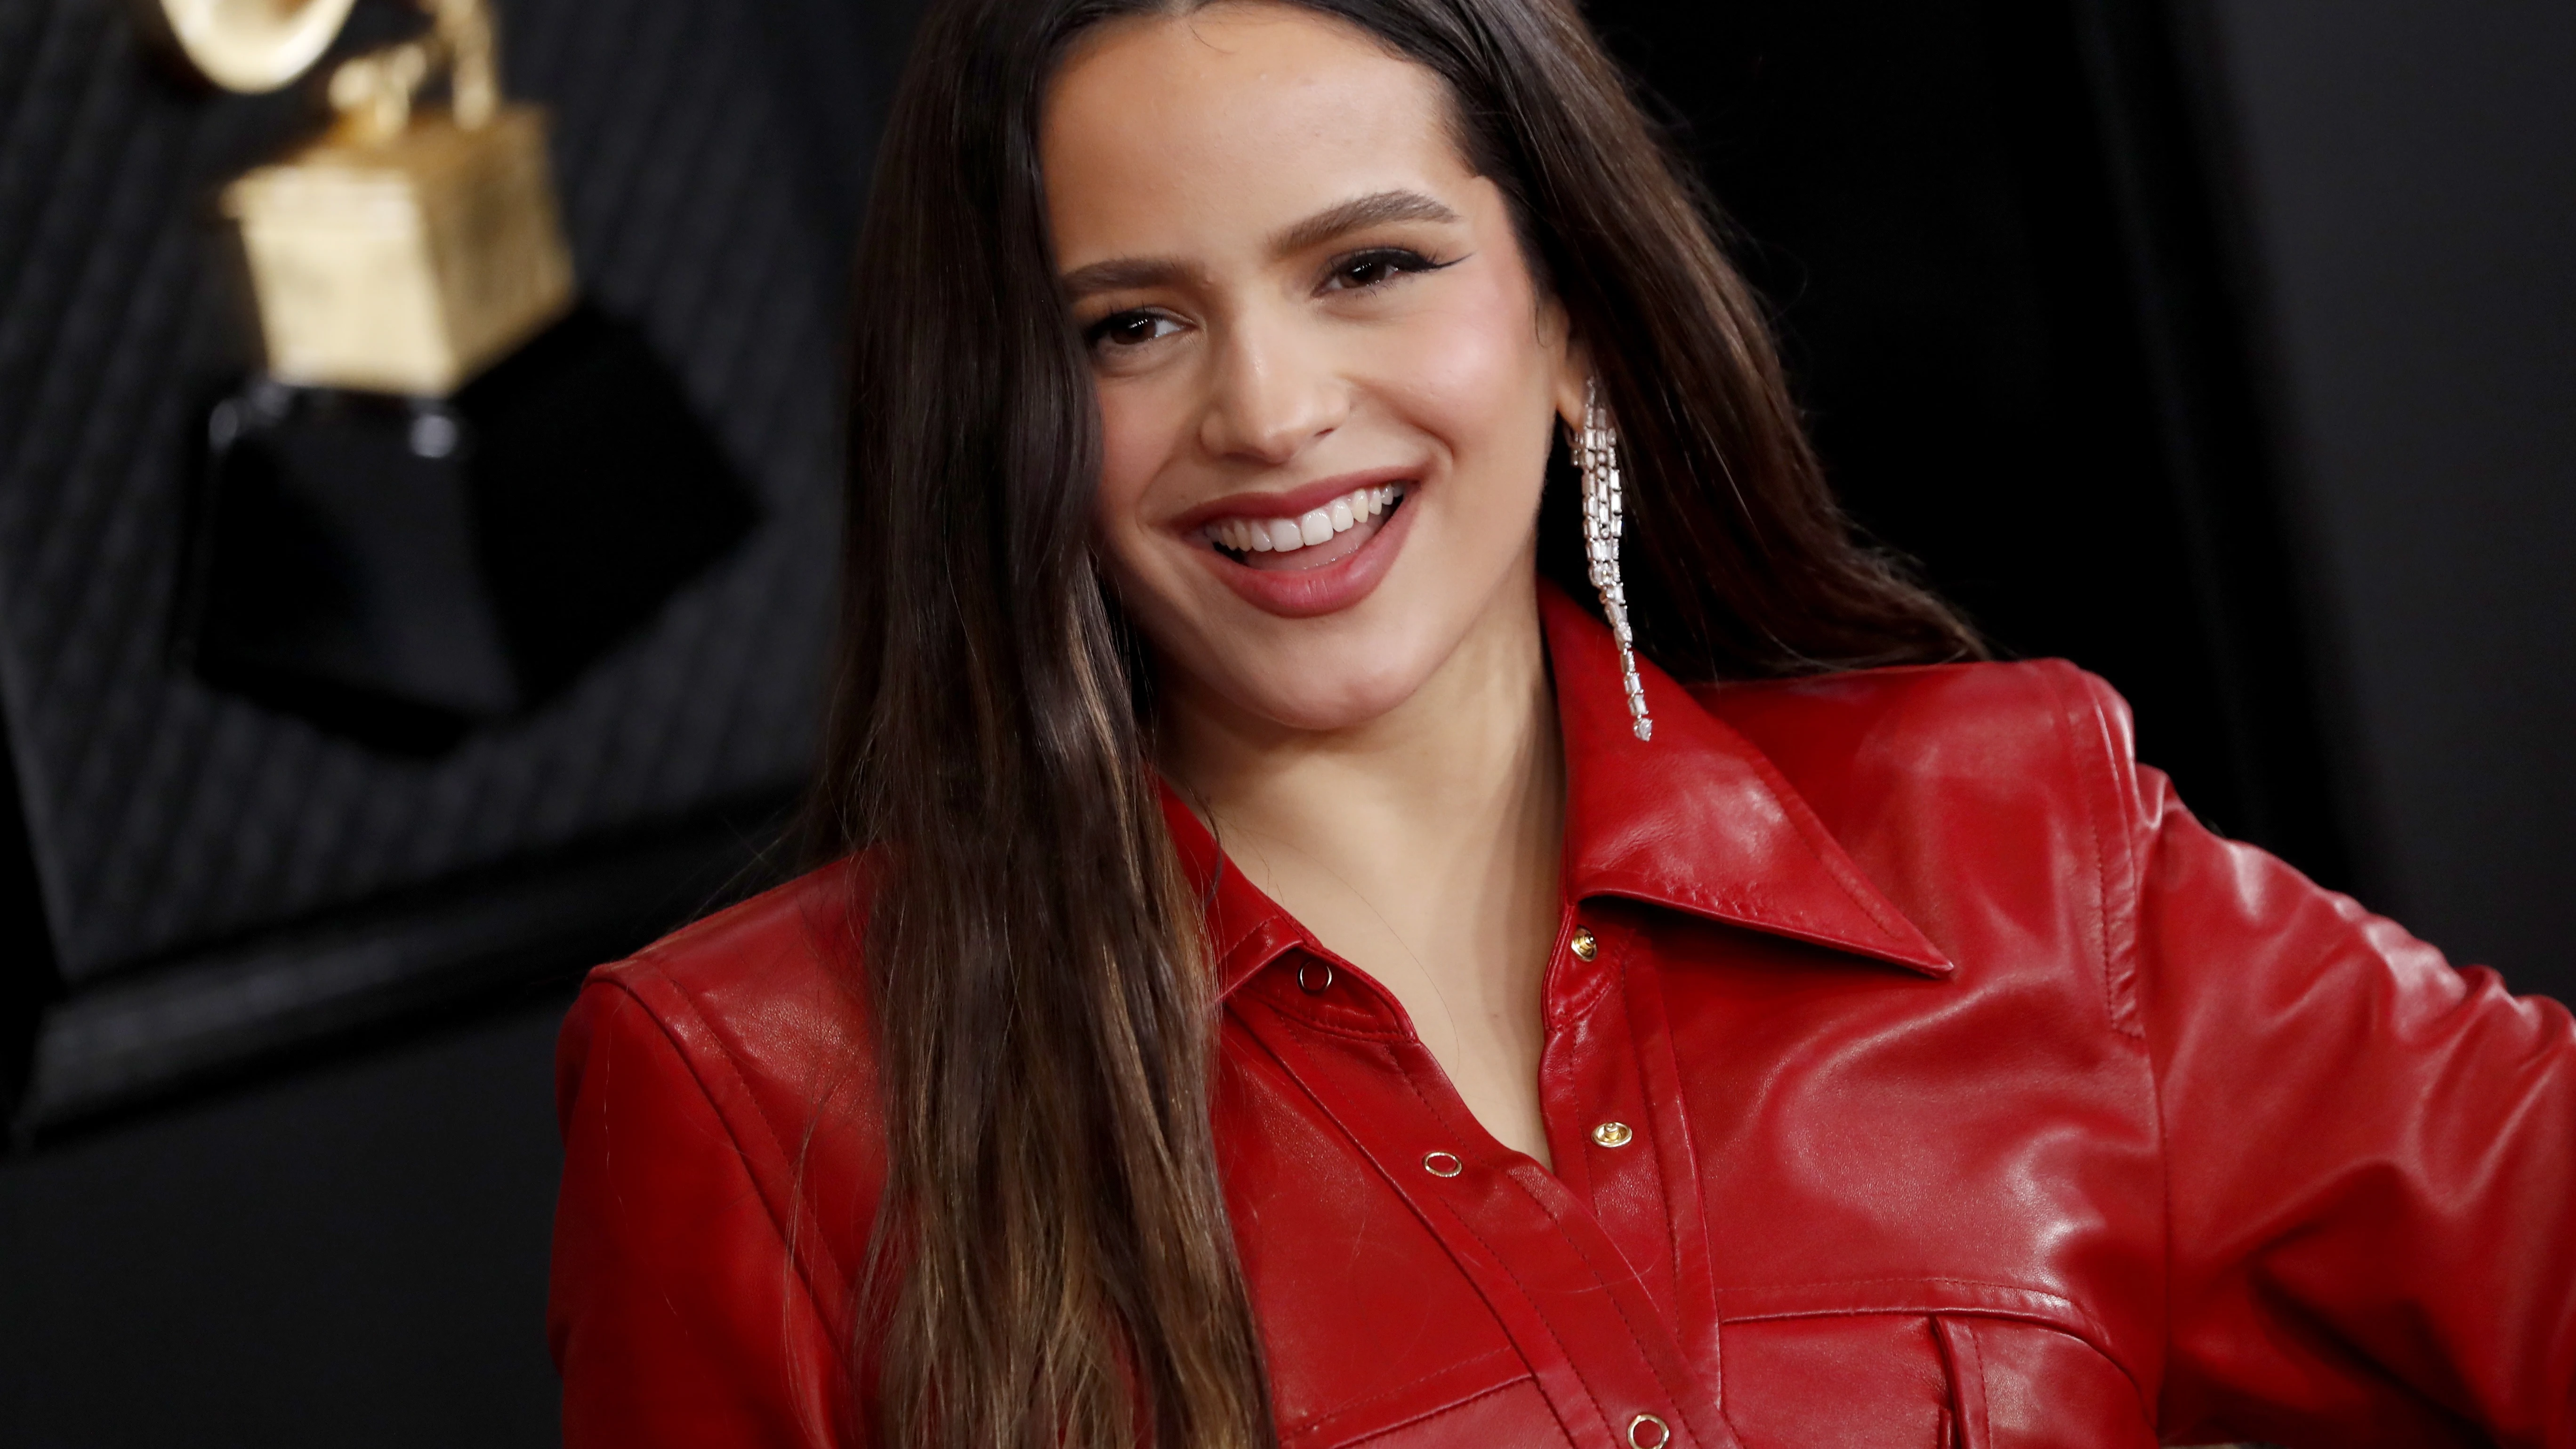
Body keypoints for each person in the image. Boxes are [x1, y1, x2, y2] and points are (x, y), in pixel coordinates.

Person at [545, 0, 2576, 1444]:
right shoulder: (760, 1094)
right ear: (1004, 417)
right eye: (1129, 326)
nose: (1267, 411)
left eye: (1369, 265)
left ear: (1577, 323)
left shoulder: (2021, 839)